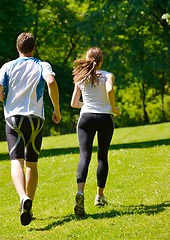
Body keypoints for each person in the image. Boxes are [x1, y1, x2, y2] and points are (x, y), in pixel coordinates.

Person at [0, 32, 61, 226]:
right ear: (34, 48)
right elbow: (51, 82)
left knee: (16, 162)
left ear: (17, 48)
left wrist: (7, 99)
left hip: (13, 119)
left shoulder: (8, 66)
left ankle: (23, 197)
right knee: (32, 164)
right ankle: (28, 206)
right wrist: (57, 109)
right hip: (36, 119)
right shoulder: (41, 65)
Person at [70, 47, 120, 217]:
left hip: (86, 119)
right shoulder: (107, 75)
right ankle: (99, 196)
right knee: (102, 156)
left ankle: (80, 193)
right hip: (105, 118)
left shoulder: (80, 77)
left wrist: (88, 106)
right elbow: (110, 90)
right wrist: (113, 108)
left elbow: (74, 103)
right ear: (101, 61)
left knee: (84, 156)